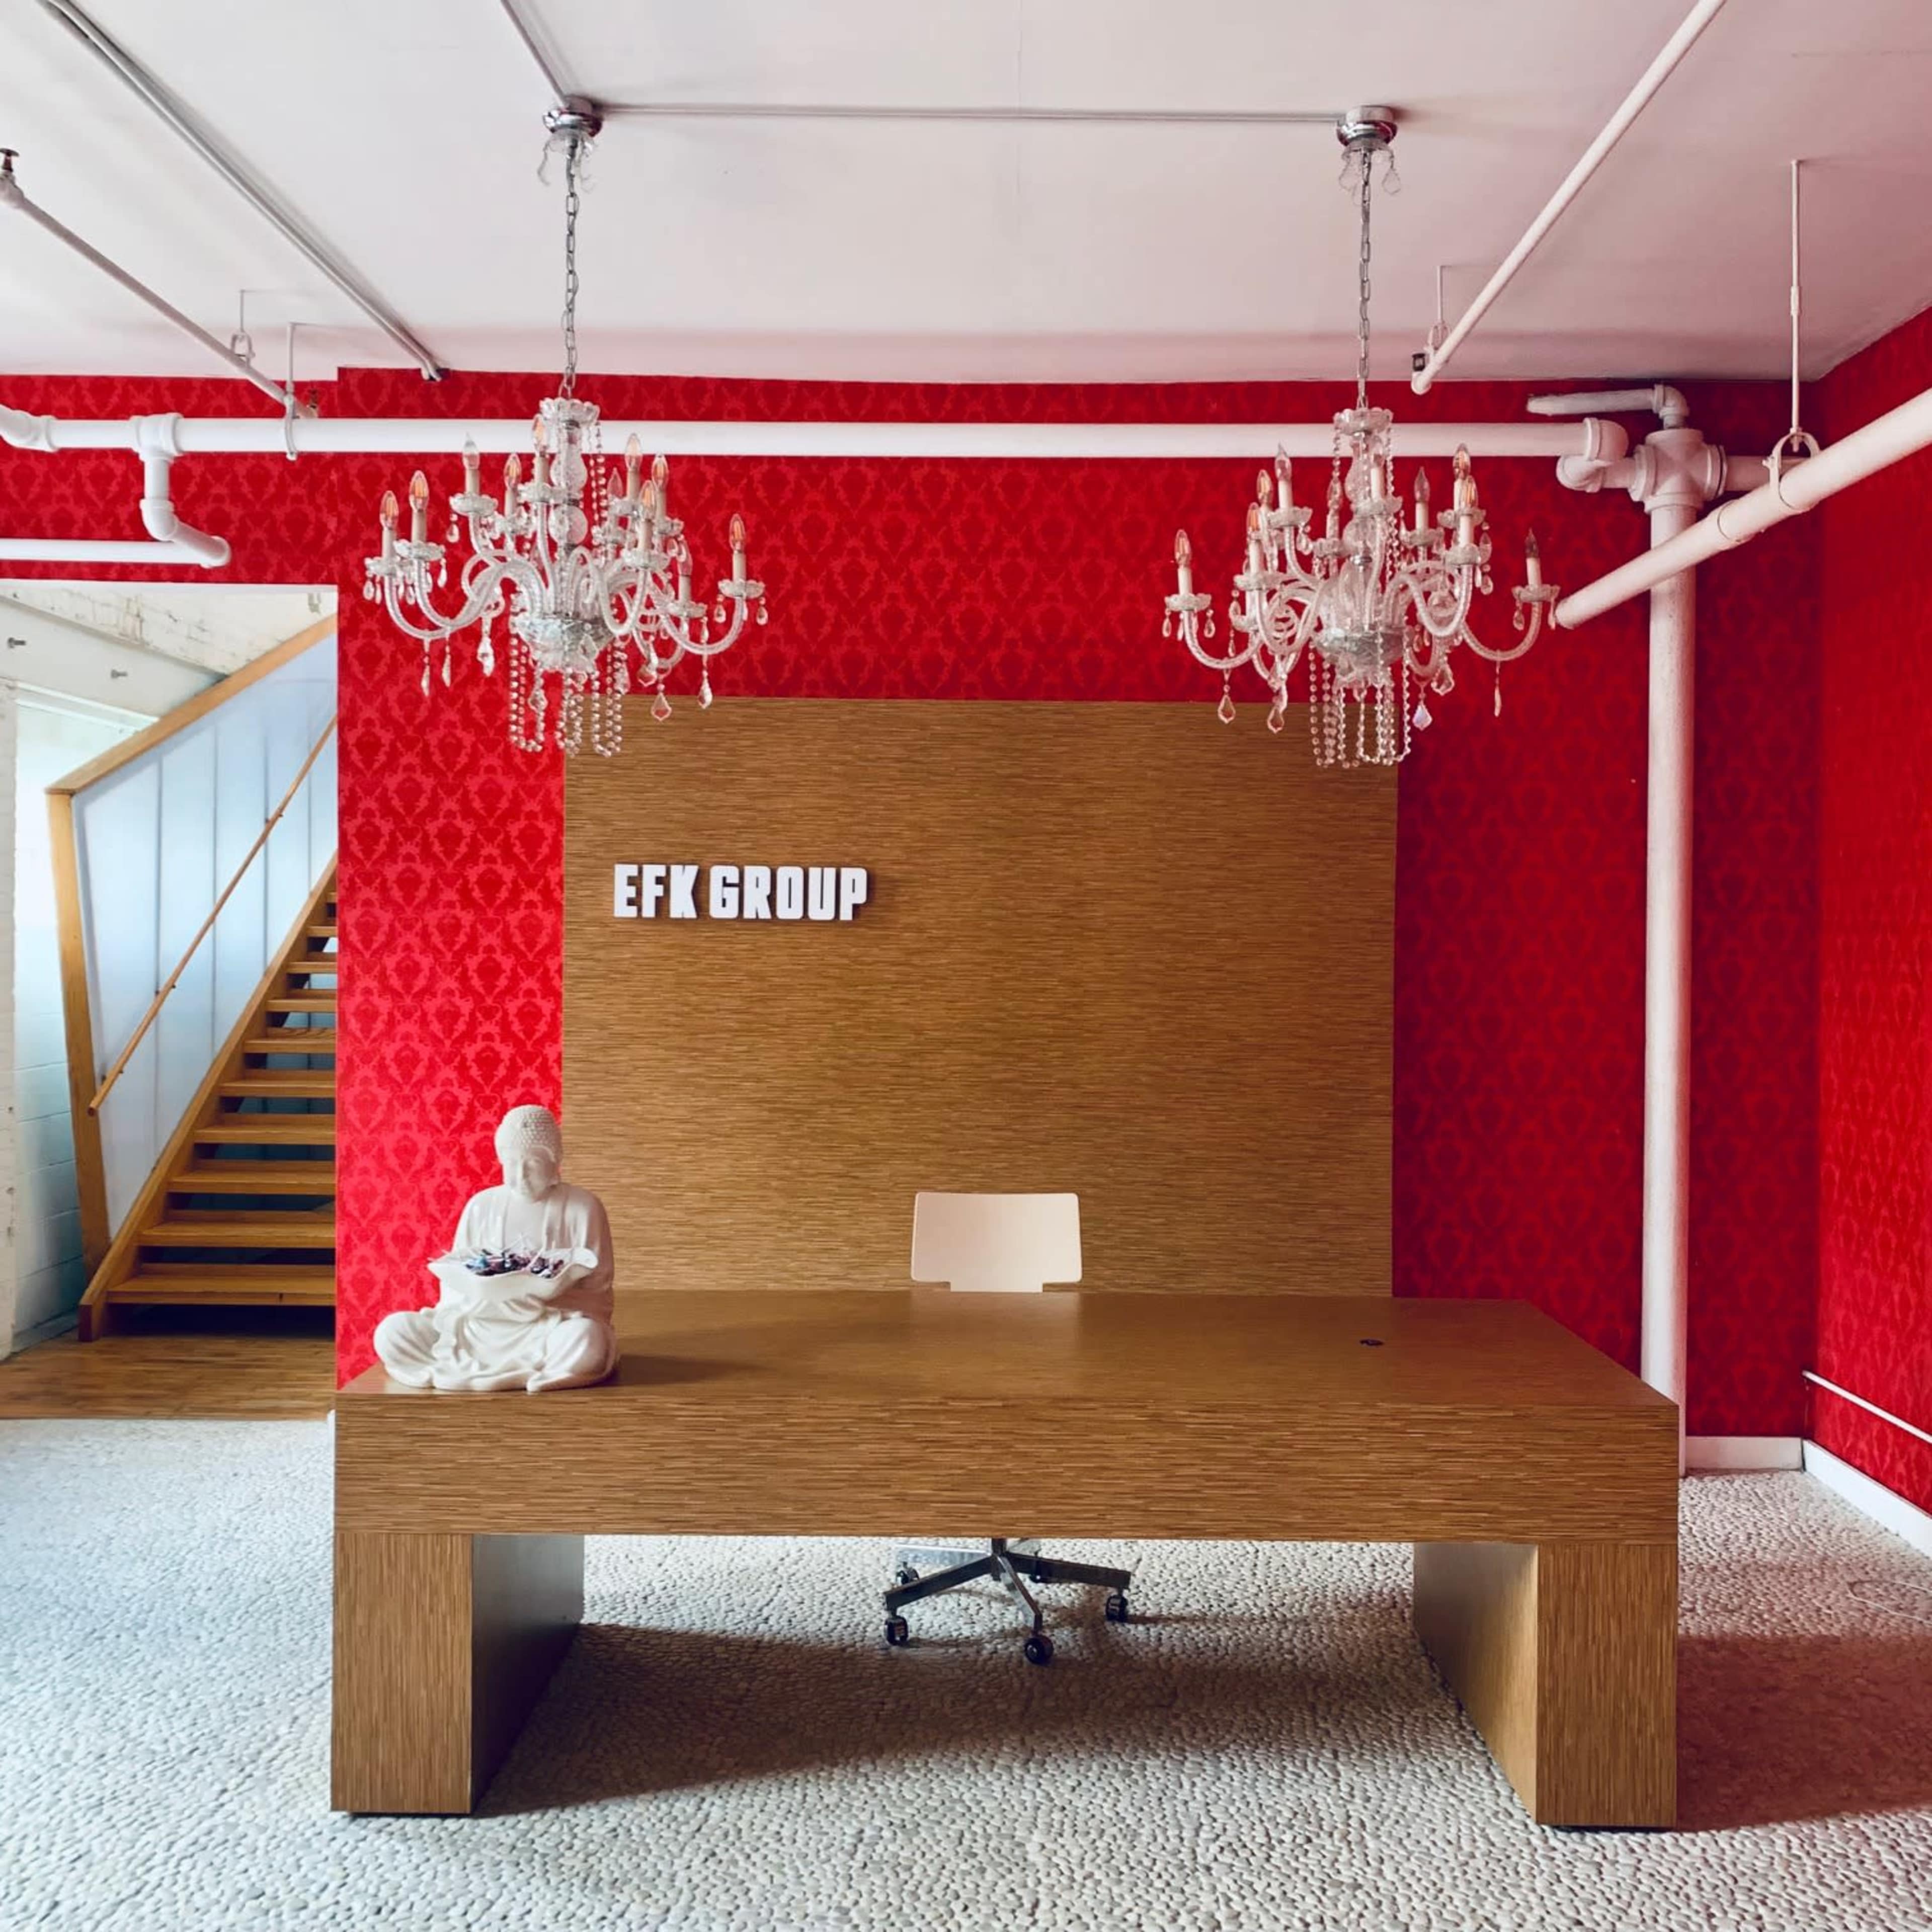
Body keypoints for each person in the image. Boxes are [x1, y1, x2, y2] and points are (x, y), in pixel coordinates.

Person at [373, 1103, 618, 1393]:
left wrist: (542, 1304)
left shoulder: (582, 1207)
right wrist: (487, 1299)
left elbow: (598, 1293)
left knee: (587, 1341)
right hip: (477, 1327)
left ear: (555, 1161)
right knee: (393, 1332)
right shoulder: (482, 1205)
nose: (520, 1175)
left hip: (546, 1326)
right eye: (511, 1164)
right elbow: (458, 1276)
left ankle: (544, 1370)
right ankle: (460, 1367)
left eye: (532, 1165)